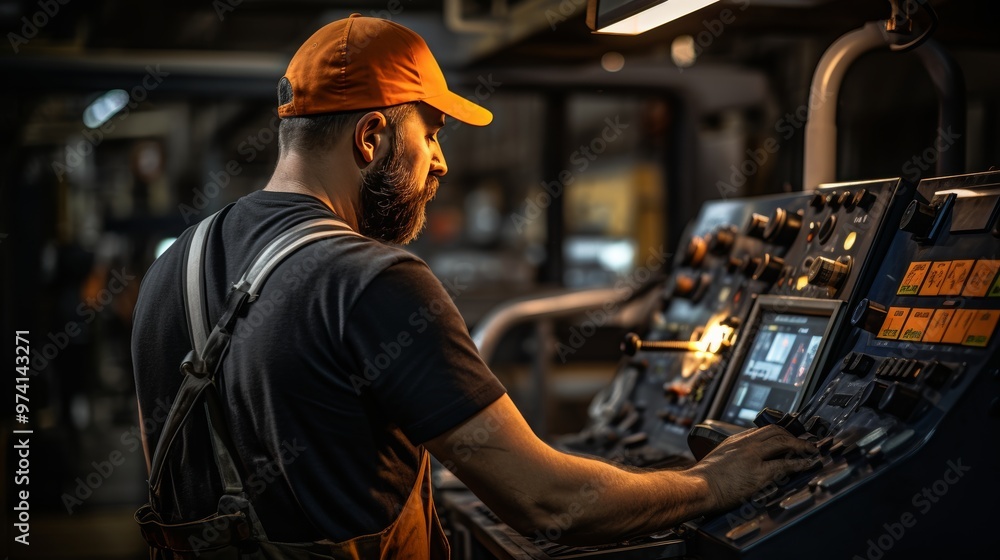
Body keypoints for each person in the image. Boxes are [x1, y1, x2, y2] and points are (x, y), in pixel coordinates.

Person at [131, 14, 818, 558]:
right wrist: (711, 482)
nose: (441, 164)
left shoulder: (172, 270)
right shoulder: (373, 281)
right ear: (372, 137)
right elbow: (548, 504)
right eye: (430, 133)